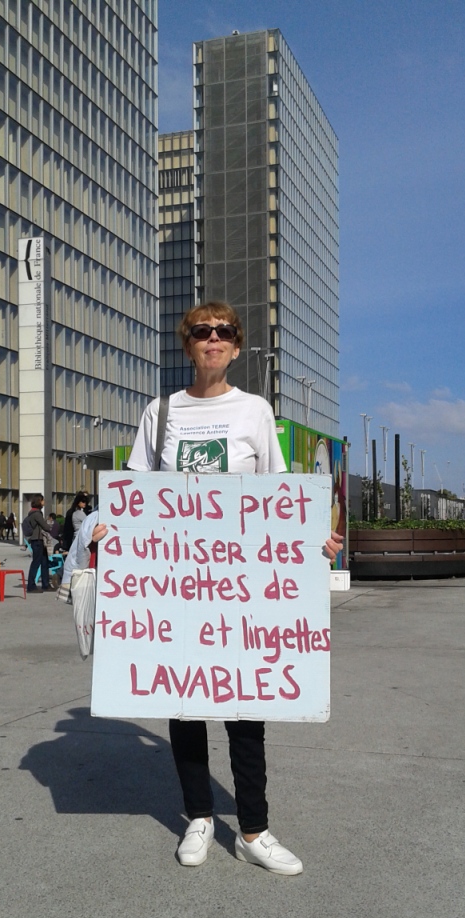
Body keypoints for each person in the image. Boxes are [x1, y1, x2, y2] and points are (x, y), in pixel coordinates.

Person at [113, 301, 342, 874]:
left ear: (236, 347)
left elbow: (279, 495)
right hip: (177, 581)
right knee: (185, 705)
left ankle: (253, 830)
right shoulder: (160, 412)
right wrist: (105, 529)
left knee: (245, 710)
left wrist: (314, 539)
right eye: (201, 331)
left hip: (242, 585)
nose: (212, 339)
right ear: (187, 344)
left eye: (223, 332)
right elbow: (135, 495)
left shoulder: (254, 410)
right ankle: (198, 816)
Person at [24, 494, 53, 593]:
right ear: (39, 501)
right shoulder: (36, 514)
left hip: (39, 540)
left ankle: (46, 584)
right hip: (37, 540)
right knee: (36, 563)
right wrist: (52, 527)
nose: (44, 502)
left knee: (44, 562)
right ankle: (31, 586)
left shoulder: (34, 513)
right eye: (42, 500)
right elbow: (45, 526)